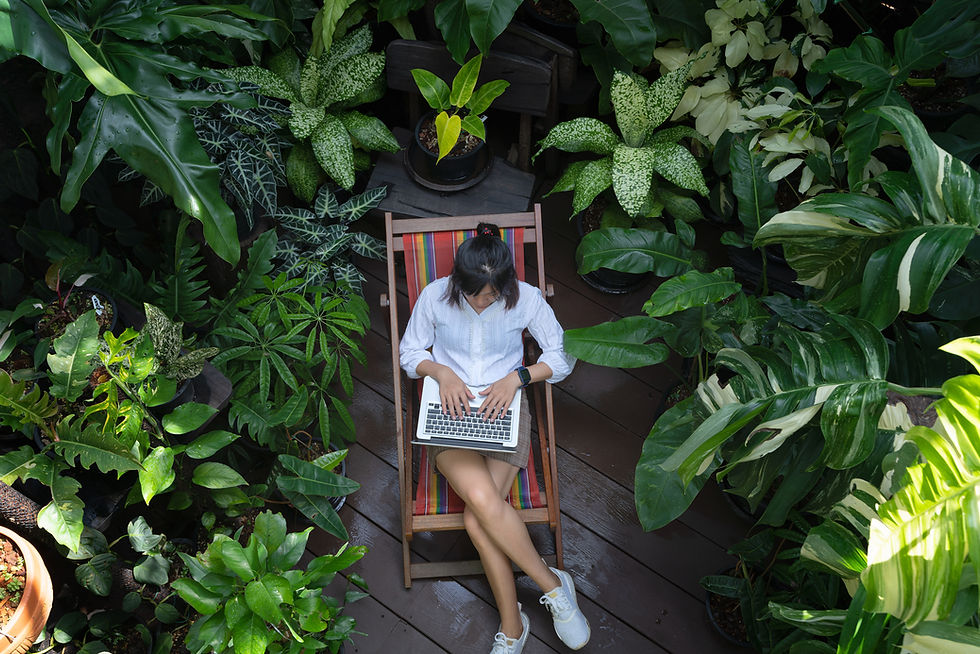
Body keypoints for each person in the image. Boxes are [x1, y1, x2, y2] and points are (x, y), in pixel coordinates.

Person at [400, 223, 590, 653]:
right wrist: (441, 371)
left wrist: (518, 377)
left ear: (505, 285)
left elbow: (563, 356)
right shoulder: (435, 296)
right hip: (449, 411)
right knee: (483, 503)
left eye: (490, 296)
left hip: (504, 409)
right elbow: (409, 353)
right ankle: (552, 585)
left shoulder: (526, 299)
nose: (482, 302)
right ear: (457, 282)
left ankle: (512, 624)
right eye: (473, 295)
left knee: (476, 519)